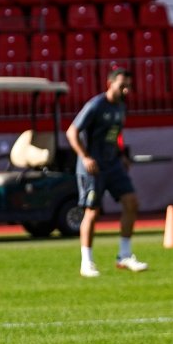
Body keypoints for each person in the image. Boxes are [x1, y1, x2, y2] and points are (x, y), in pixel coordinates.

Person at [66, 68, 148, 277]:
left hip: (113, 164)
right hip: (93, 167)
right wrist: (85, 157)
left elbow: (115, 134)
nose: (126, 89)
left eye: (128, 85)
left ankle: (124, 255)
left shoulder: (121, 106)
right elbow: (72, 131)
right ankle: (87, 262)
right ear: (109, 83)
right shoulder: (96, 105)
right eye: (122, 85)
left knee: (131, 202)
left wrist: (121, 155)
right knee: (92, 212)